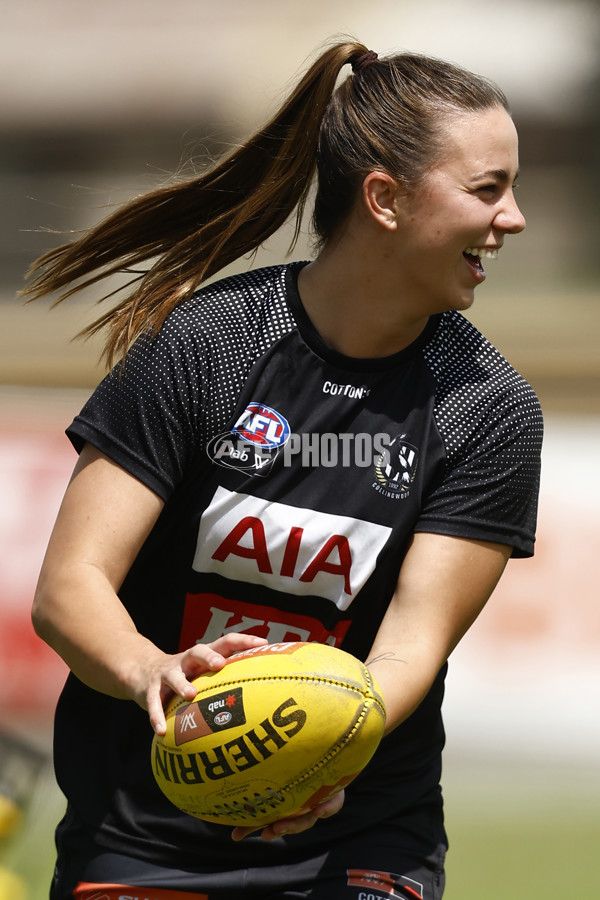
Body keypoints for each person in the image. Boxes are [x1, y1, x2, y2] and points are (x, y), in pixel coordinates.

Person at [23, 39, 543, 900]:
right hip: (145, 839)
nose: (514, 216)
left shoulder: (485, 406)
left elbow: (412, 642)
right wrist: (150, 669)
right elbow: (70, 587)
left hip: (361, 839)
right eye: (488, 189)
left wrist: (326, 754)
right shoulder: (208, 346)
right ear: (385, 198)